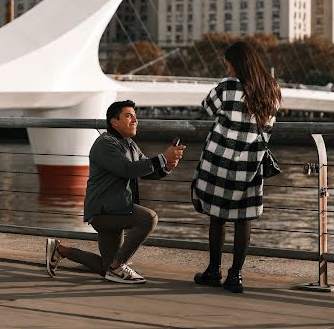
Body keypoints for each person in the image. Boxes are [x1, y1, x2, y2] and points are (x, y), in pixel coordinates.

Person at [46, 99, 186, 284]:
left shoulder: (130, 144)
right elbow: (127, 169)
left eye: (135, 116)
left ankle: (60, 250)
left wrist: (167, 166)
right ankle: (118, 265)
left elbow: (145, 171)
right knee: (148, 218)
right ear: (114, 122)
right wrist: (161, 158)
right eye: (129, 116)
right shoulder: (105, 143)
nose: (135, 120)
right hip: (104, 211)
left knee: (106, 267)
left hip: (116, 208)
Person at [191, 41, 281, 293]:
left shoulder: (229, 86)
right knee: (244, 219)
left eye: (227, 62)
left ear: (236, 63)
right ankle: (236, 276)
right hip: (251, 163)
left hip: (219, 160)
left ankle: (213, 271)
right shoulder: (272, 89)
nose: (226, 67)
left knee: (217, 217)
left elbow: (207, 106)